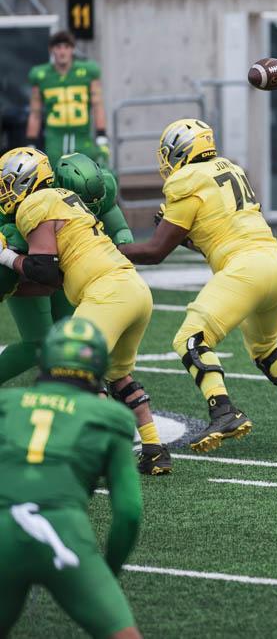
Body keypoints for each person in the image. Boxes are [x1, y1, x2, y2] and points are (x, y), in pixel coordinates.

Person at [118, 119, 277, 452]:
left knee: (189, 338)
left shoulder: (186, 180)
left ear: (181, 151)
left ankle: (223, 411)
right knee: (265, 347)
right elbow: (213, 239)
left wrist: (104, 249)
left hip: (246, 268)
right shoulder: (228, 168)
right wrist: (183, 237)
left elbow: (154, 251)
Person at [0, 147, 167, 476]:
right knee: (117, 374)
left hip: (106, 293)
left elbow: (43, 268)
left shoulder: (35, 203)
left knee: (70, 369)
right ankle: (154, 449)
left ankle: (104, 451)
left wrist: (5, 256)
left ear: (26, 180)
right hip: (133, 287)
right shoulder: (68, 197)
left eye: (8, 182)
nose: (5, 189)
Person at [0, 317, 143, 638]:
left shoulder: (6, 404)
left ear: (45, 358)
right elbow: (129, 512)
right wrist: (107, 573)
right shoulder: (111, 416)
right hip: (63, 533)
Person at [0, 153, 134, 386]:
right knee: (38, 342)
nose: (86, 208)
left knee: (73, 333)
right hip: (27, 266)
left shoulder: (98, 187)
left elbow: (121, 231)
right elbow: (42, 272)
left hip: (66, 265)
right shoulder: (28, 208)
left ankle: (89, 385)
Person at [26, 31, 110, 167]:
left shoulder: (87, 72)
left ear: (72, 49)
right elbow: (35, 113)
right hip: (54, 139)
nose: (62, 51)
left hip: (82, 137)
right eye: (58, 47)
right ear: (51, 50)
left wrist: (101, 136)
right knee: (54, 180)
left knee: (87, 180)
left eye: (66, 47)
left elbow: (98, 105)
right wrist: (31, 142)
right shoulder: (41, 75)